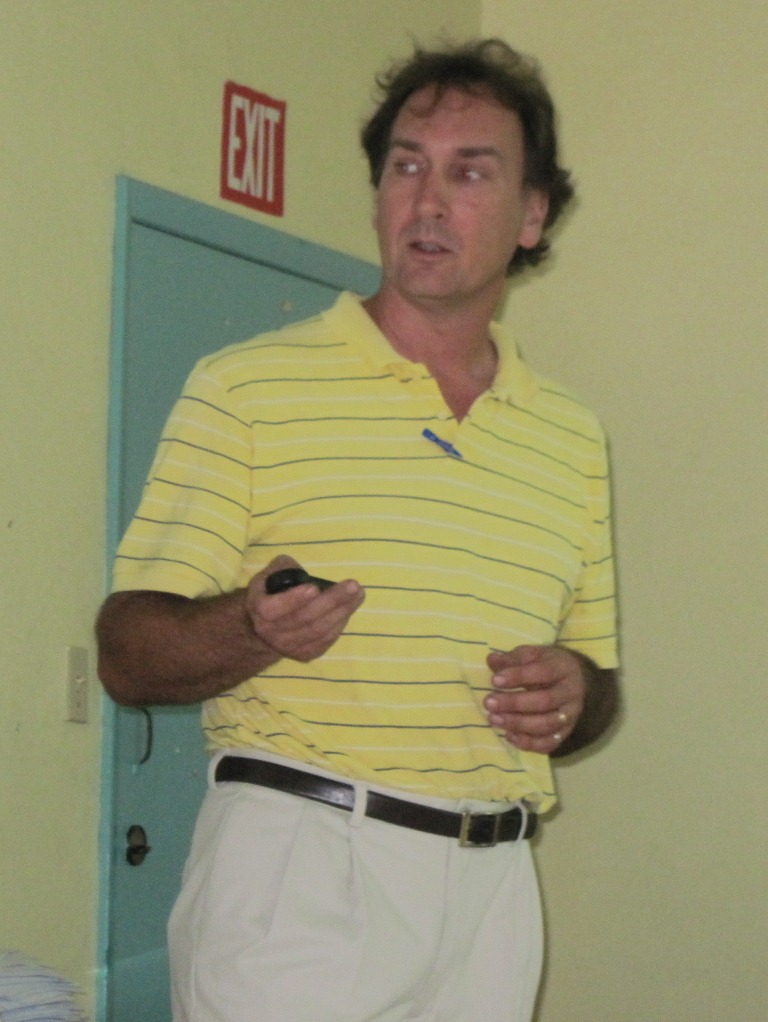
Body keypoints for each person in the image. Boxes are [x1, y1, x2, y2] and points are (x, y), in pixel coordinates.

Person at [97, 37, 620, 1022]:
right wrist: (250, 627)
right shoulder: (245, 385)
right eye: (406, 166)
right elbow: (127, 650)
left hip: (495, 888)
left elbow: (597, 686)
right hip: (303, 867)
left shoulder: (572, 438)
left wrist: (577, 691)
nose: (428, 200)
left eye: (471, 171)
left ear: (534, 213)